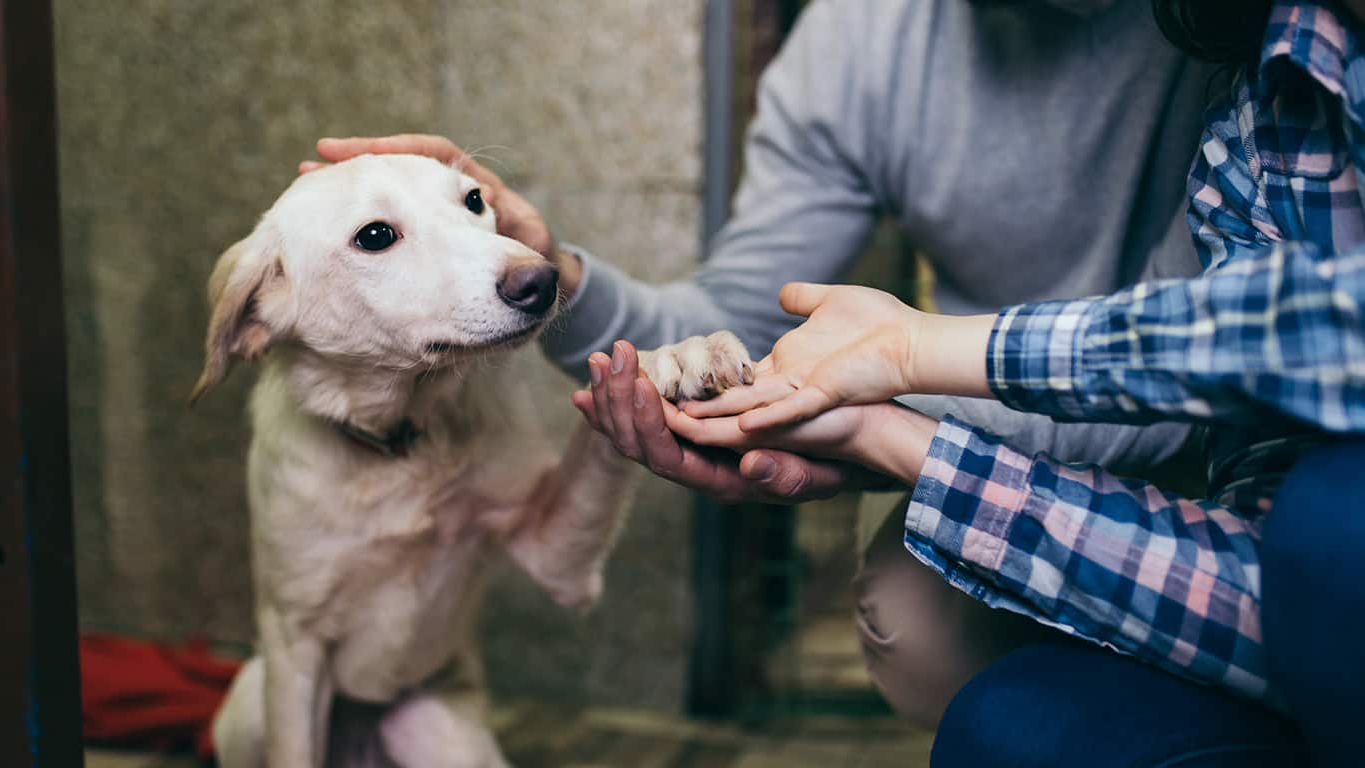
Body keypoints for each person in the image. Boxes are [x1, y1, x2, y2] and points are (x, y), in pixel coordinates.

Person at [309, 0, 1218, 737]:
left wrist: (882, 421)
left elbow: (1224, 354)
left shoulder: (1228, 35)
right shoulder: (858, 42)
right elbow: (732, 313)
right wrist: (555, 275)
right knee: (918, 630)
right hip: (1002, 418)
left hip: (1236, 424)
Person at [594, 0, 1364, 764]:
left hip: (1184, 439)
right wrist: (548, 286)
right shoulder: (1271, 92)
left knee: (1326, 526)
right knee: (993, 718)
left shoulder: (1212, 51)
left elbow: (1258, 343)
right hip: (1168, 466)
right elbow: (1278, 588)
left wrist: (916, 356)